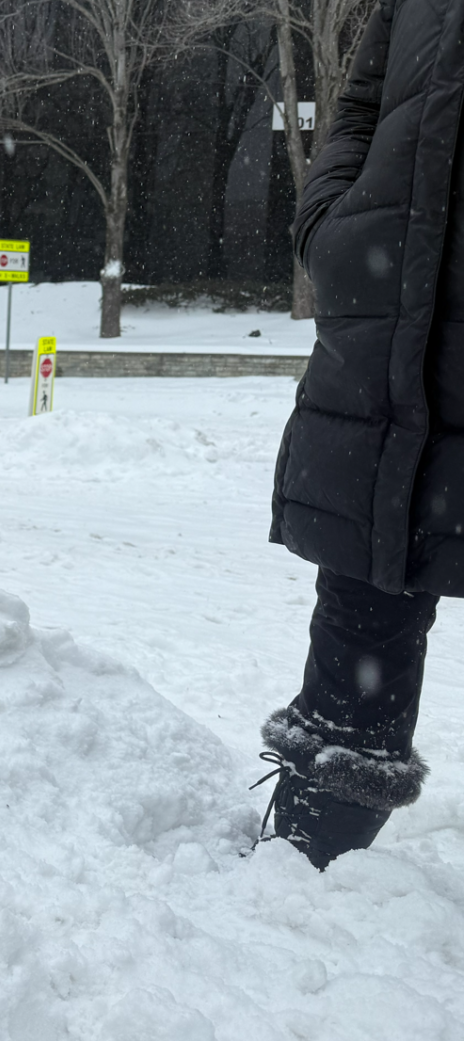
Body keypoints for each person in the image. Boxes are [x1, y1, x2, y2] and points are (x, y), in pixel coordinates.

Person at [259, 0, 464, 868]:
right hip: (387, 342)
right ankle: (297, 889)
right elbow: (361, 103)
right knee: (361, 617)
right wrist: (334, 227)